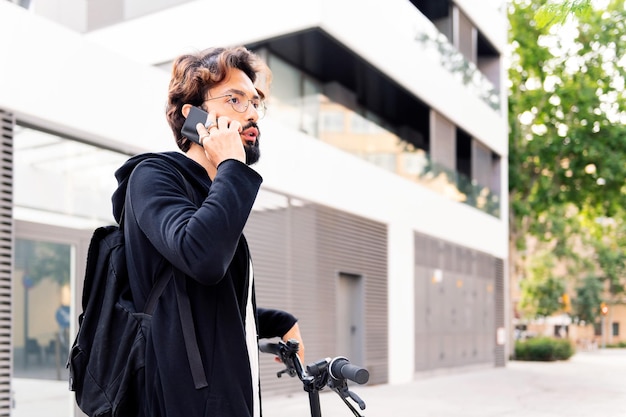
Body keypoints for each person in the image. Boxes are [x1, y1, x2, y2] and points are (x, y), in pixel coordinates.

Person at [111, 46, 304, 417]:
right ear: (193, 114)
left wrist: (278, 322)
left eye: (254, 102)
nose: (251, 114)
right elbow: (202, 256)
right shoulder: (154, 177)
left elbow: (203, 301)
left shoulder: (217, 199)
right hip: (184, 402)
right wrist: (231, 161)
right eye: (235, 99)